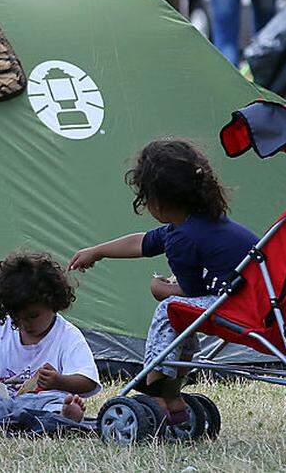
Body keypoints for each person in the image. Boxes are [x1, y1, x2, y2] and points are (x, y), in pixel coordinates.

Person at [67, 138, 258, 425]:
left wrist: (160, 289)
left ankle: (155, 389)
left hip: (241, 306)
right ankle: (173, 397)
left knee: (171, 309)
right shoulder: (201, 221)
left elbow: (190, 294)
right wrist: (98, 251)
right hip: (252, 300)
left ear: (158, 201)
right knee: (181, 314)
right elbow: (143, 242)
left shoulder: (184, 237)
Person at [0, 252, 99, 428]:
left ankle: (65, 417)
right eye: (17, 318)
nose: (25, 324)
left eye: (33, 316)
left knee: (53, 404)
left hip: (43, 399)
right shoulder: (2, 330)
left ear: (54, 303)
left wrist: (59, 381)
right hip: (2, 398)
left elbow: (88, 381)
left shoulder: (67, 336)